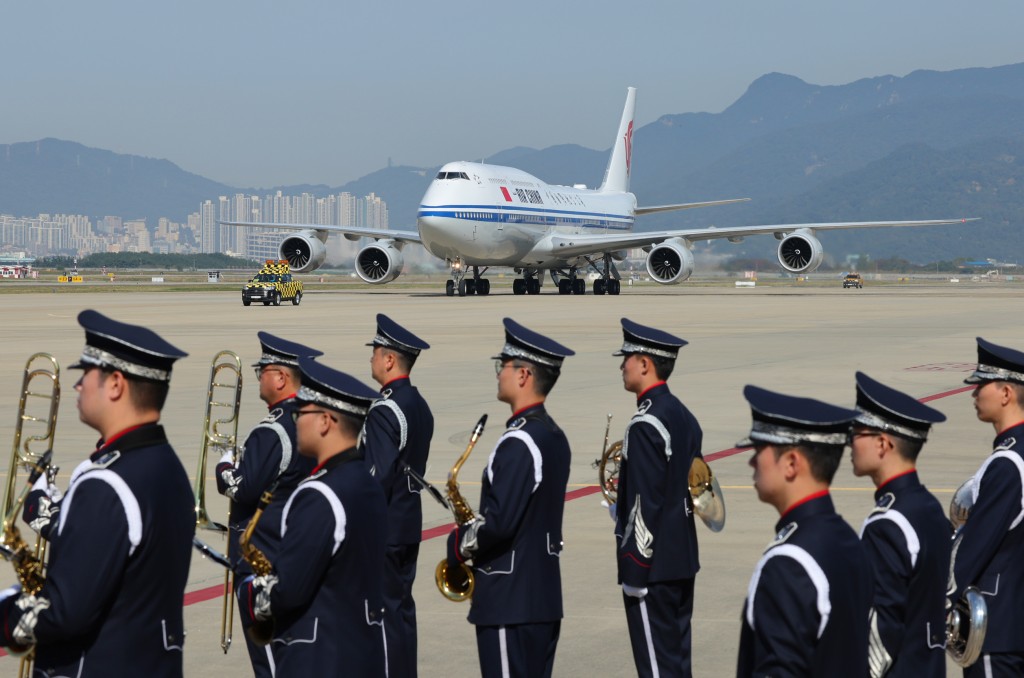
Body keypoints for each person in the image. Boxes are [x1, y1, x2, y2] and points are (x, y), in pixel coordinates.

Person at [0, 309, 193, 676]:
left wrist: (8, 612)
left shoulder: (106, 483)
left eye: (86, 374)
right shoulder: (167, 467)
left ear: (116, 384)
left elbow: (65, 612)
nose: (77, 386)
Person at [237, 357, 388, 676]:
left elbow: (288, 591)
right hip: (363, 650)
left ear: (325, 421)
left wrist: (250, 592)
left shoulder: (318, 495)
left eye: (300, 413)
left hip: (319, 657)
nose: (294, 421)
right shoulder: (366, 483)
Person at [446, 318, 574, 678]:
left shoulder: (519, 442)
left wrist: (457, 544)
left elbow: (500, 523)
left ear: (523, 375)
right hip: (541, 597)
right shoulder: (552, 435)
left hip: (510, 600)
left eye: (502, 365)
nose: (498, 372)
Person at [736, 385, 871, 677]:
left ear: (791, 463)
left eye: (759, 449)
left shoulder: (788, 565)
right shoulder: (847, 539)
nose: (751, 461)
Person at [215, 331, 322, 676]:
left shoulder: (272, 430)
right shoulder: (310, 418)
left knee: (271, 662)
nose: (259, 376)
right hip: (294, 547)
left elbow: (242, 489)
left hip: (262, 554)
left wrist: (224, 466)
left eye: (264, 370)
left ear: (281, 377)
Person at [611, 317, 703, 678]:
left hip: (654, 568)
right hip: (682, 558)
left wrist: (634, 568)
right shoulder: (683, 415)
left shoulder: (646, 423)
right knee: (677, 664)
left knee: (656, 669)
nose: (622, 365)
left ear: (645, 364)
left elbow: (645, 503)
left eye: (627, 358)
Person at [848, 371, 949, 677]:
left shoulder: (887, 524)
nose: (849, 442)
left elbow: (882, 627)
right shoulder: (929, 508)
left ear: (882, 444)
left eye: (857, 432)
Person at [361, 313, 434, 678]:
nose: (371, 358)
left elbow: (376, 476)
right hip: (407, 522)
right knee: (401, 614)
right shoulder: (418, 404)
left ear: (389, 359)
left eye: (375, 352)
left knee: (382, 617)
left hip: (385, 531)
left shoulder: (385, 409)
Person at [949, 337, 1024, 676]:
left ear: (1006, 394)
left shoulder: (1008, 463)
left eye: (981, 386)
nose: (974, 394)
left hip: (998, 629)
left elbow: (972, 548)